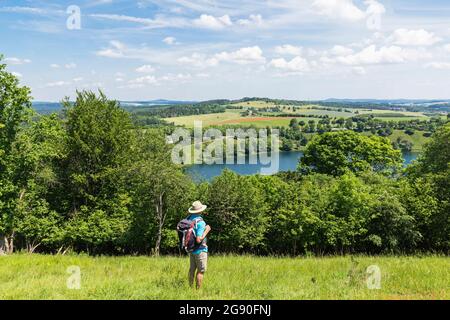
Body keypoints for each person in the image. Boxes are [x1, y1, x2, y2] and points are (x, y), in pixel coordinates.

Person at [187, 201, 211, 289]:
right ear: (200, 210)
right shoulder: (200, 222)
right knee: (201, 271)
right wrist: (207, 230)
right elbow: (198, 239)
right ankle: (198, 291)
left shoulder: (189, 219)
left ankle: (190, 288)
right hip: (200, 249)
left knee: (192, 269)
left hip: (191, 249)